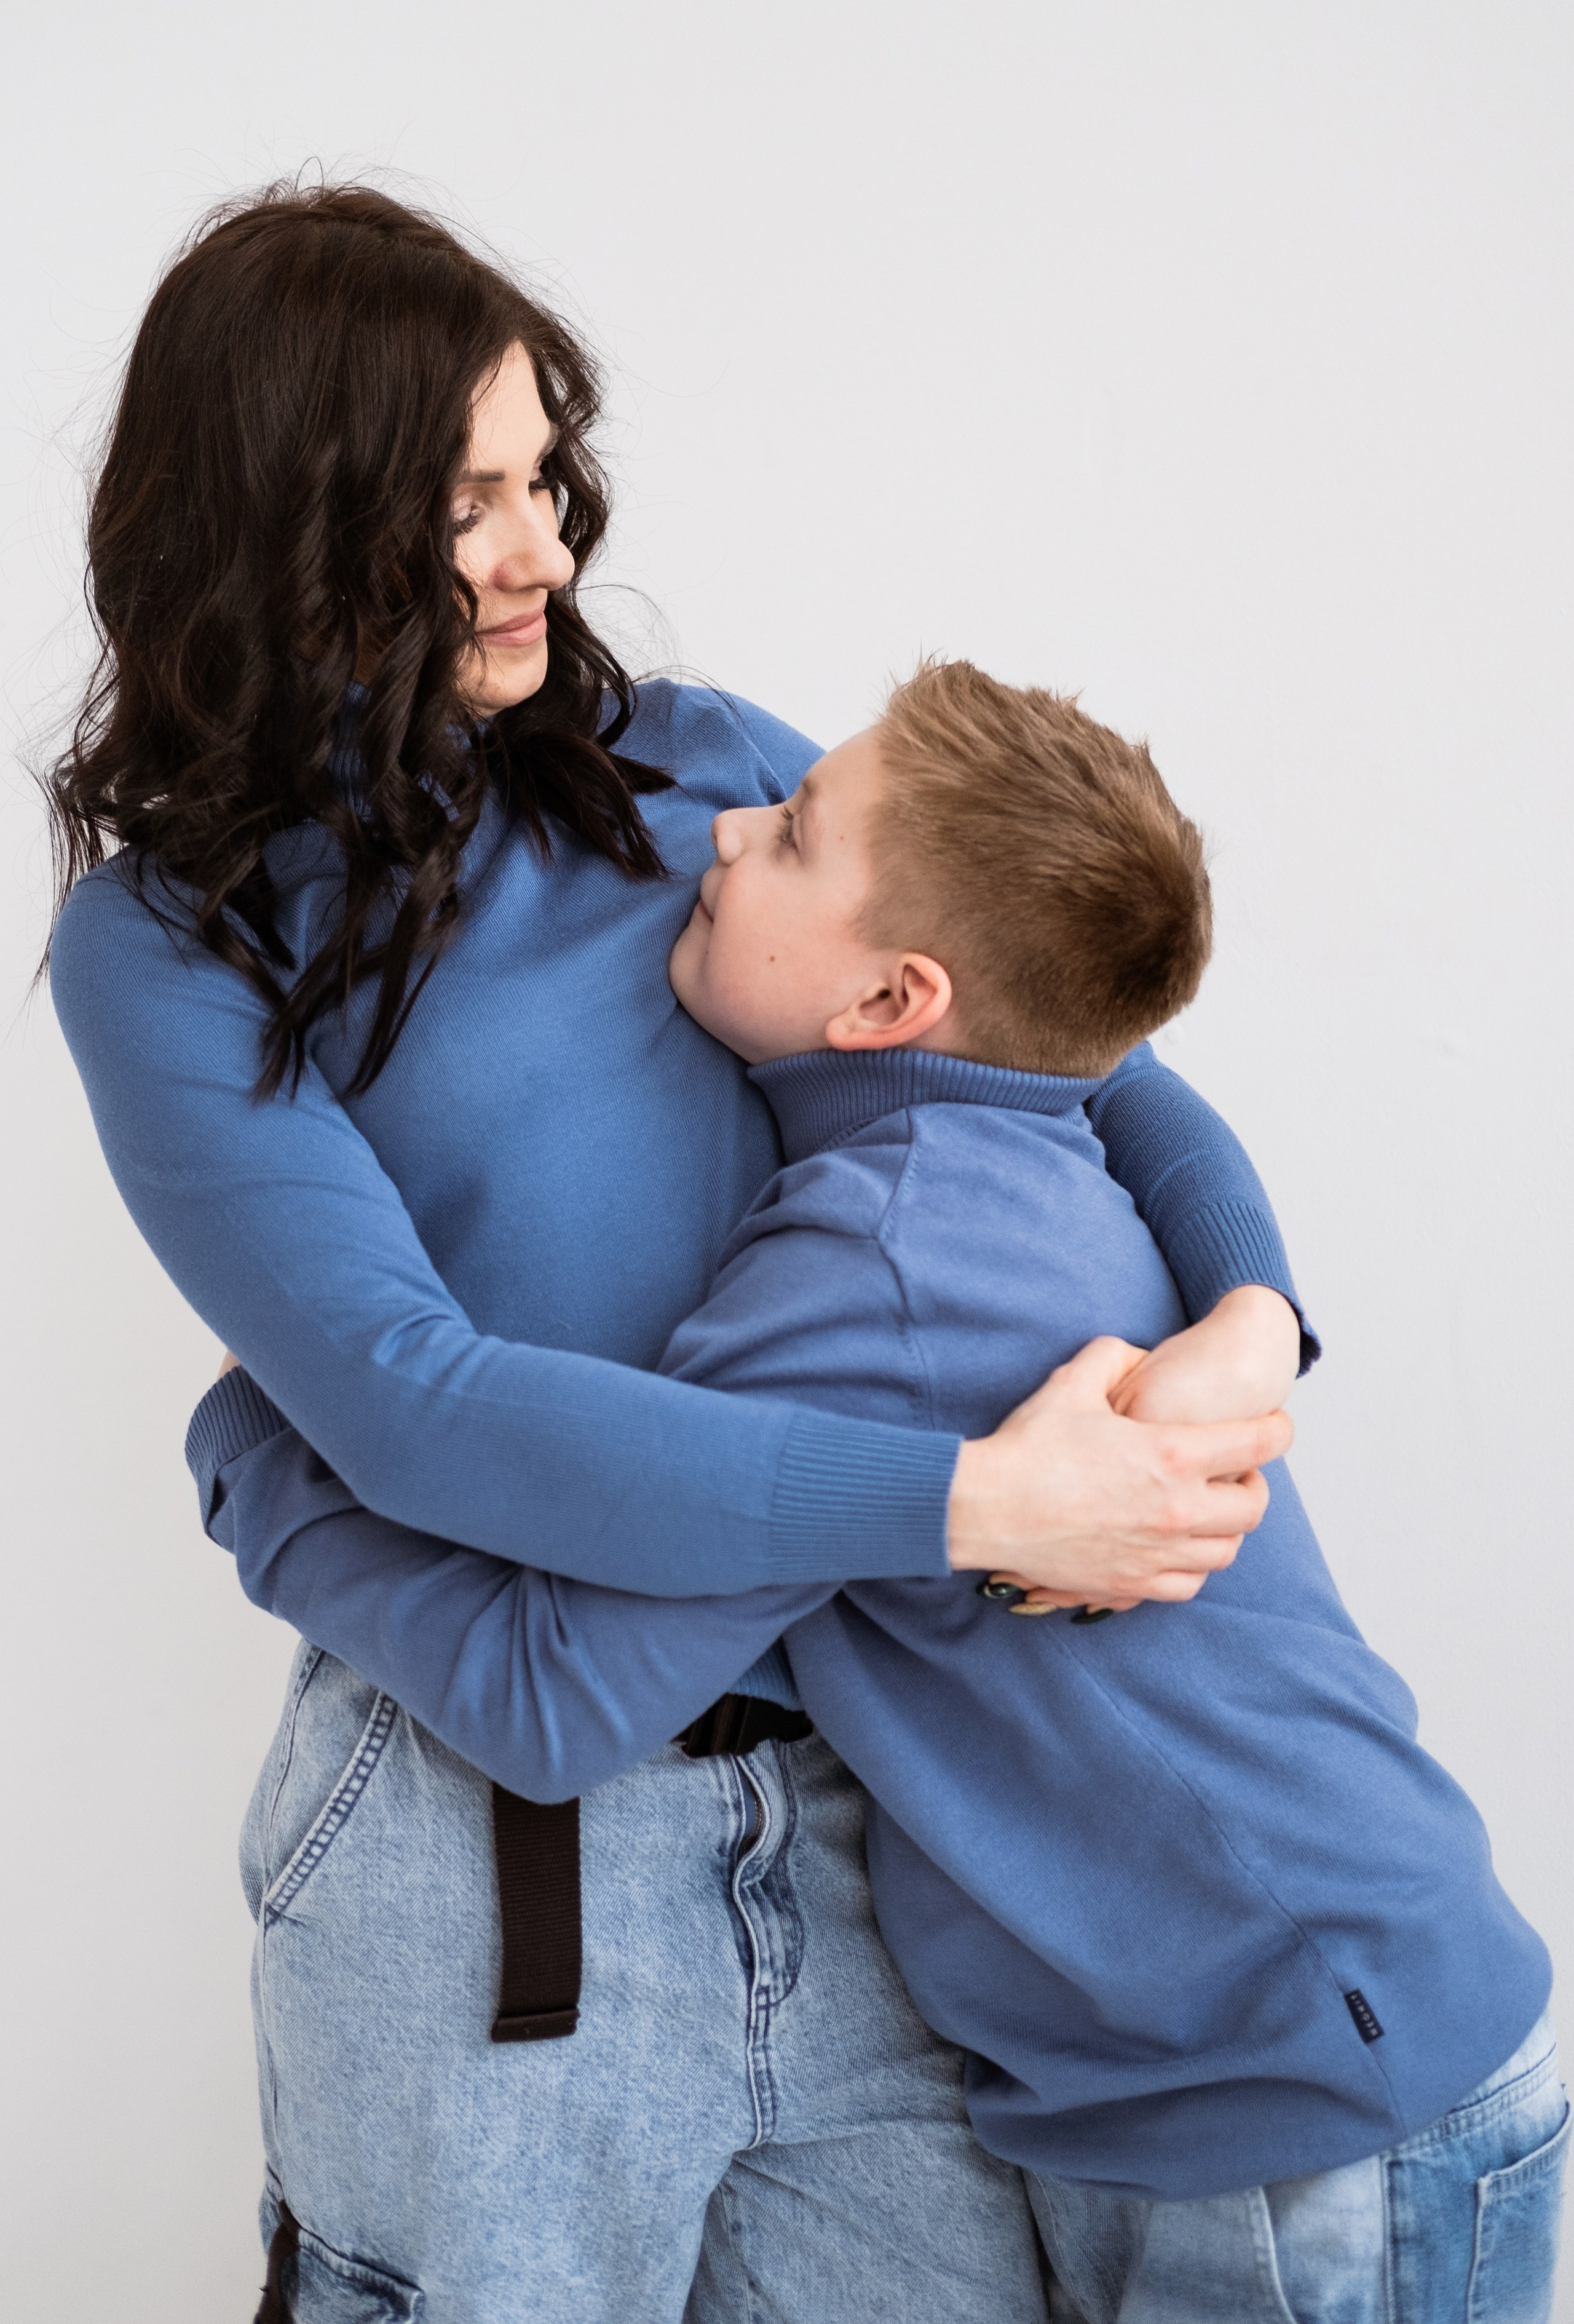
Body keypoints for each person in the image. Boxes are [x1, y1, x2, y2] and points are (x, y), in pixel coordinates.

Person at [47, 181, 1305, 2322]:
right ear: (280, 522)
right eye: (464, 501)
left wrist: (1260, 1316)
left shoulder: (702, 771)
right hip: (481, 1858)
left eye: (544, 477)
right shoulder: (166, 947)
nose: (545, 547)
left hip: (874, 1809)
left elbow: (1076, 1052)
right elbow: (424, 1416)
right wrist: (981, 1499)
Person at [196, 660, 1567, 2321]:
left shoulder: (876, 1264)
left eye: (789, 840)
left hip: (1299, 2103)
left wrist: (258, 1456)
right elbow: (1152, 1102)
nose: (722, 834)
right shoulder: (1019, 1133)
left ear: (890, 1001)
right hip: (1284, 2055)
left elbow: (554, 1697)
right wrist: (1260, 1311)